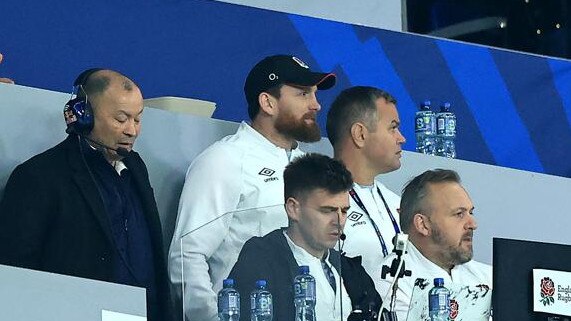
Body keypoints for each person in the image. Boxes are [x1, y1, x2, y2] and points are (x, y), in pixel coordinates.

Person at [168, 55, 336, 321]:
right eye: (303, 94)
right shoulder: (225, 159)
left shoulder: (312, 169)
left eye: (315, 95)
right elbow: (187, 255)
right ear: (267, 102)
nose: (316, 105)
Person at [0, 69, 171, 321]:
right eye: (121, 118)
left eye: (137, 119)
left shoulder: (136, 168)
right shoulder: (38, 176)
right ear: (84, 115)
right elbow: (16, 271)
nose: (131, 131)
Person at [229, 153, 381, 321]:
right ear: (293, 209)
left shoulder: (350, 270)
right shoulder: (260, 260)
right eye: (327, 210)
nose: (339, 221)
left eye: (344, 211)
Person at [378, 169, 492, 321]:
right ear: (423, 225)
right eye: (459, 214)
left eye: (471, 213)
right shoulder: (391, 281)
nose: (473, 224)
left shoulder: (489, 276)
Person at [326, 86, 406, 292]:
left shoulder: (398, 203)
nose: (401, 138)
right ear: (360, 134)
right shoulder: (318, 203)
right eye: (393, 127)